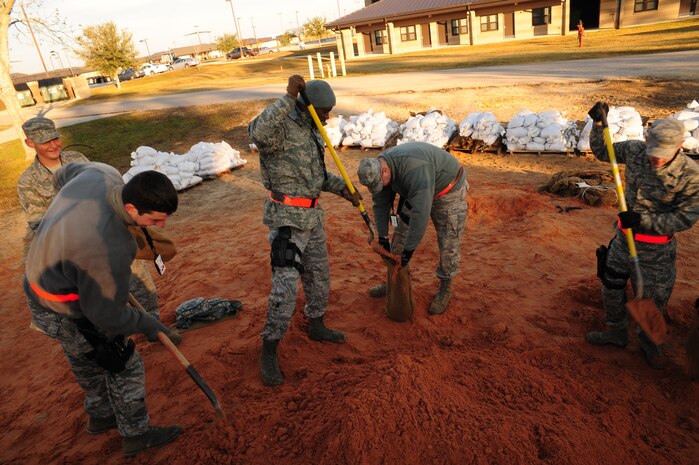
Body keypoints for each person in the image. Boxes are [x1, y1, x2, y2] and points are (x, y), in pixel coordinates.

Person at [23, 162, 183, 457]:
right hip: (64, 300)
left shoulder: (101, 174)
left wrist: (66, 219)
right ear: (132, 209)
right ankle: (136, 434)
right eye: (156, 220)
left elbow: (62, 175)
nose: (161, 227)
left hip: (36, 278)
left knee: (81, 352)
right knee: (122, 361)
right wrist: (148, 324)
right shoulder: (110, 246)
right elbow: (106, 315)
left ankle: (100, 413)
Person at [248, 75, 361, 387]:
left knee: (319, 276)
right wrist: (287, 97)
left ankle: (316, 323)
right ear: (306, 106)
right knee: (285, 289)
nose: (327, 117)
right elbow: (257, 132)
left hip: (312, 216)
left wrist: (344, 189)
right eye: (323, 111)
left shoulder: (313, 130)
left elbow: (317, 175)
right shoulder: (280, 126)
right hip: (286, 219)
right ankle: (269, 349)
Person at [585, 102, 699, 369]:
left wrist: (643, 221)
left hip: (657, 251)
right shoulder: (635, 151)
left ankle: (650, 345)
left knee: (650, 300)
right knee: (611, 285)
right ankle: (616, 332)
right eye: (653, 151)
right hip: (623, 241)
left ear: (679, 147)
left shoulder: (690, 175)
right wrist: (599, 125)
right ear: (646, 140)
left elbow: (686, 217)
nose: (655, 159)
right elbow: (603, 152)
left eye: (663, 154)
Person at [17, 116, 161, 319]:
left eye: (55, 138)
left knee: (136, 274)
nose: (53, 145)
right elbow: (37, 222)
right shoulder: (28, 182)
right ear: (30, 143)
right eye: (45, 141)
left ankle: (153, 319)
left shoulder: (77, 159)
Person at [357, 141, 469, 315]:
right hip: (415, 190)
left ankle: (445, 288)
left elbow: (420, 214)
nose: (380, 187)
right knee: (399, 235)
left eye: (381, 183)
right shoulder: (378, 169)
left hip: (448, 191)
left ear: (385, 170)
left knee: (449, 241)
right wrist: (383, 237)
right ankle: (394, 282)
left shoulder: (414, 168)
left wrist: (409, 251)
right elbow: (380, 205)